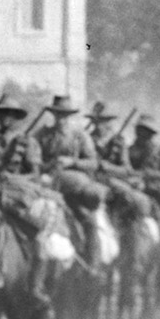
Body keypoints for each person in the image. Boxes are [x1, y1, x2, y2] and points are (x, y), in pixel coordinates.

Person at [36, 93, 104, 242]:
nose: (61, 118)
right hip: (47, 185)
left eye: (65, 115)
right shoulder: (42, 135)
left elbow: (93, 163)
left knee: (87, 219)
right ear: (53, 114)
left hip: (74, 189)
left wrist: (72, 162)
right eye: (58, 114)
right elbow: (34, 161)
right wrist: (49, 165)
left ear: (70, 116)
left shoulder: (80, 135)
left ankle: (92, 261)